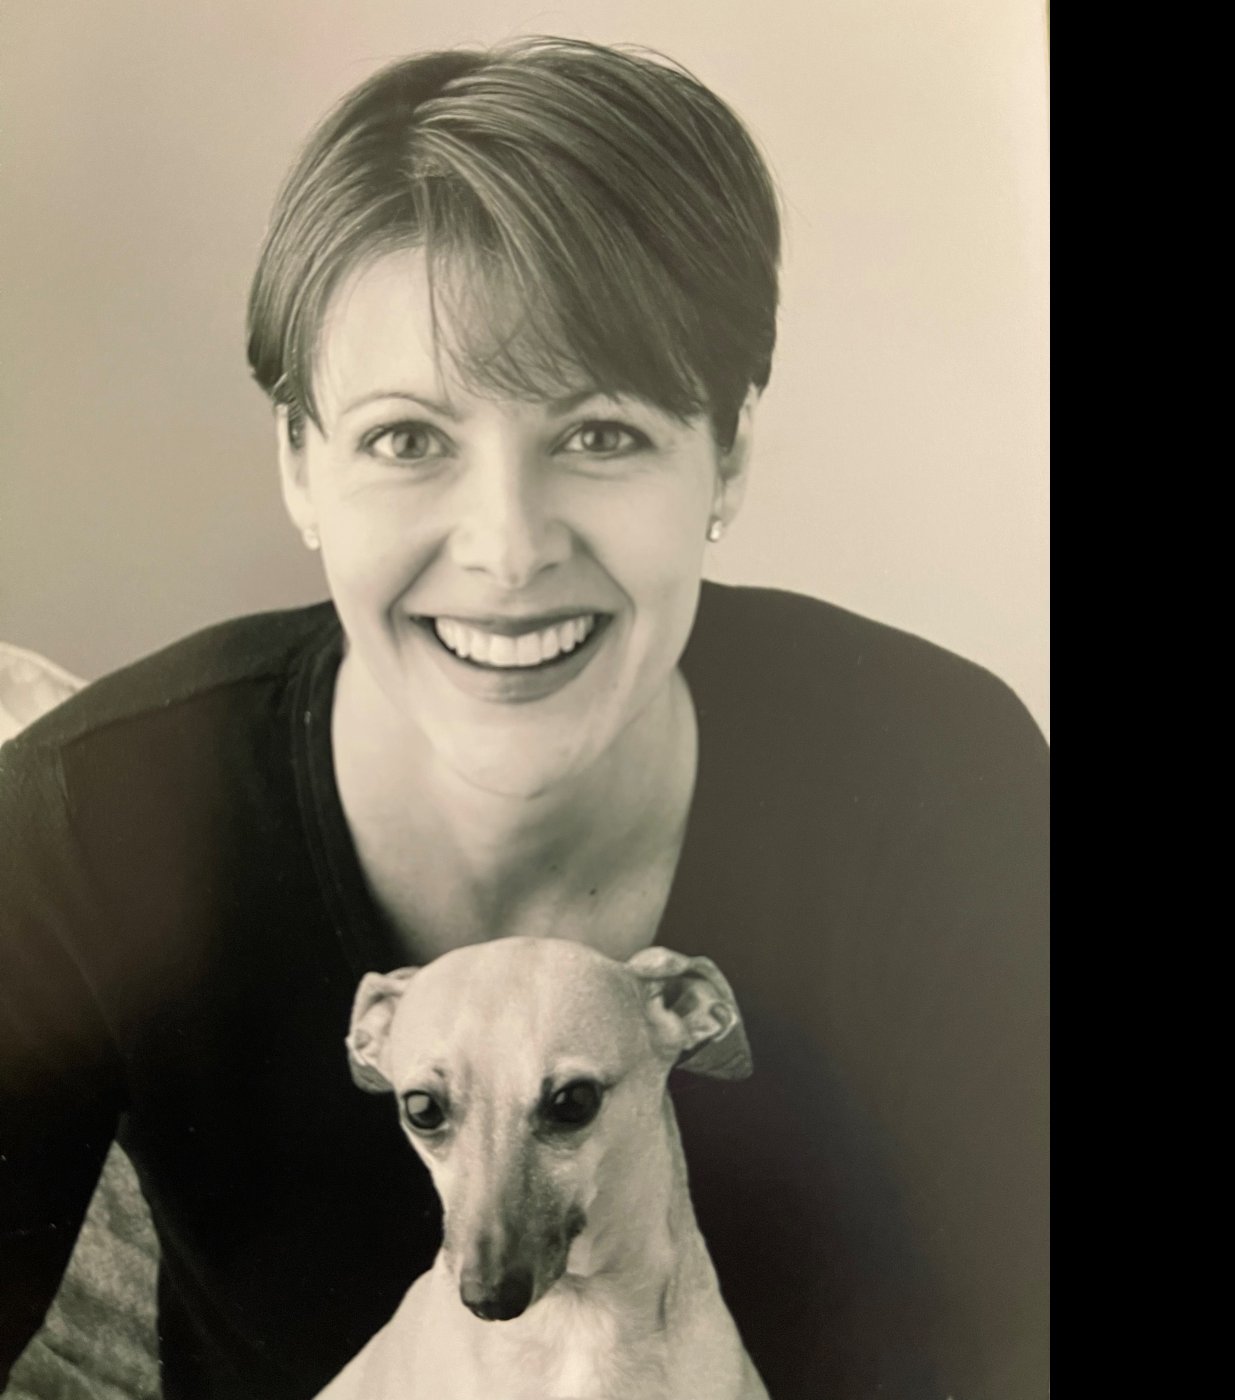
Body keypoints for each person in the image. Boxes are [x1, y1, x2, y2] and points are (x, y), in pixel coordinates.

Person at [0, 38, 1048, 1400]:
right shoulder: (77, 826)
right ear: (300, 463)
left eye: (600, 434)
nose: (506, 550)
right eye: (407, 439)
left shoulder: (946, 778)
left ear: (727, 453)